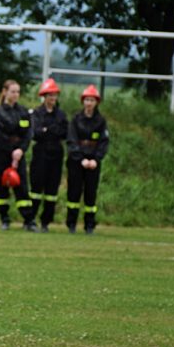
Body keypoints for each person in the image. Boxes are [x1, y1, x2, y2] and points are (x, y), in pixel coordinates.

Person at [0, 79, 37, 231]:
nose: (16, 94)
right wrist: (12, 152)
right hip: (3, 154)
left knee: (22, 186)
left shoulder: (24, 112)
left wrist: (21, 150)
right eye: (13, 91)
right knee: (2, 186)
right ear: (5, 92)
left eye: (18, 92)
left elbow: (28, 134)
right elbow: (0, 136)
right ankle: (5, 219)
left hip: (19, 154)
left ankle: (29, 220)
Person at [66, 84, 110, 235]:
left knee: (91, 193)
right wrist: (80, 159)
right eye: (87, 100)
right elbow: (71, 141)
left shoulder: (100, 121)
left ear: (96, 102)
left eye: (92, 100)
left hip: (93, 163)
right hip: (77, 162)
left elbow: (104, 142)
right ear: (83, 101)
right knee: (73, 192)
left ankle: (89, 224)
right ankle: (71, 223)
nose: (89, 103)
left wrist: (96, 160)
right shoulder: (76, 119)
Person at [29, 78, 68, 232]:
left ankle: (46, 221)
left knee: (52, 189)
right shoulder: (36, 113)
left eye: (54, 95)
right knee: (36, 186)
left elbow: (64, 132)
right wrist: (50, 131)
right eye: (49, 95)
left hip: (56, 153)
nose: (52, 98)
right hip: (40, 152)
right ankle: (31, 218)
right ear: (44, 96)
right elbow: (35, 132)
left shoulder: (61, 115)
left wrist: (47, 130)